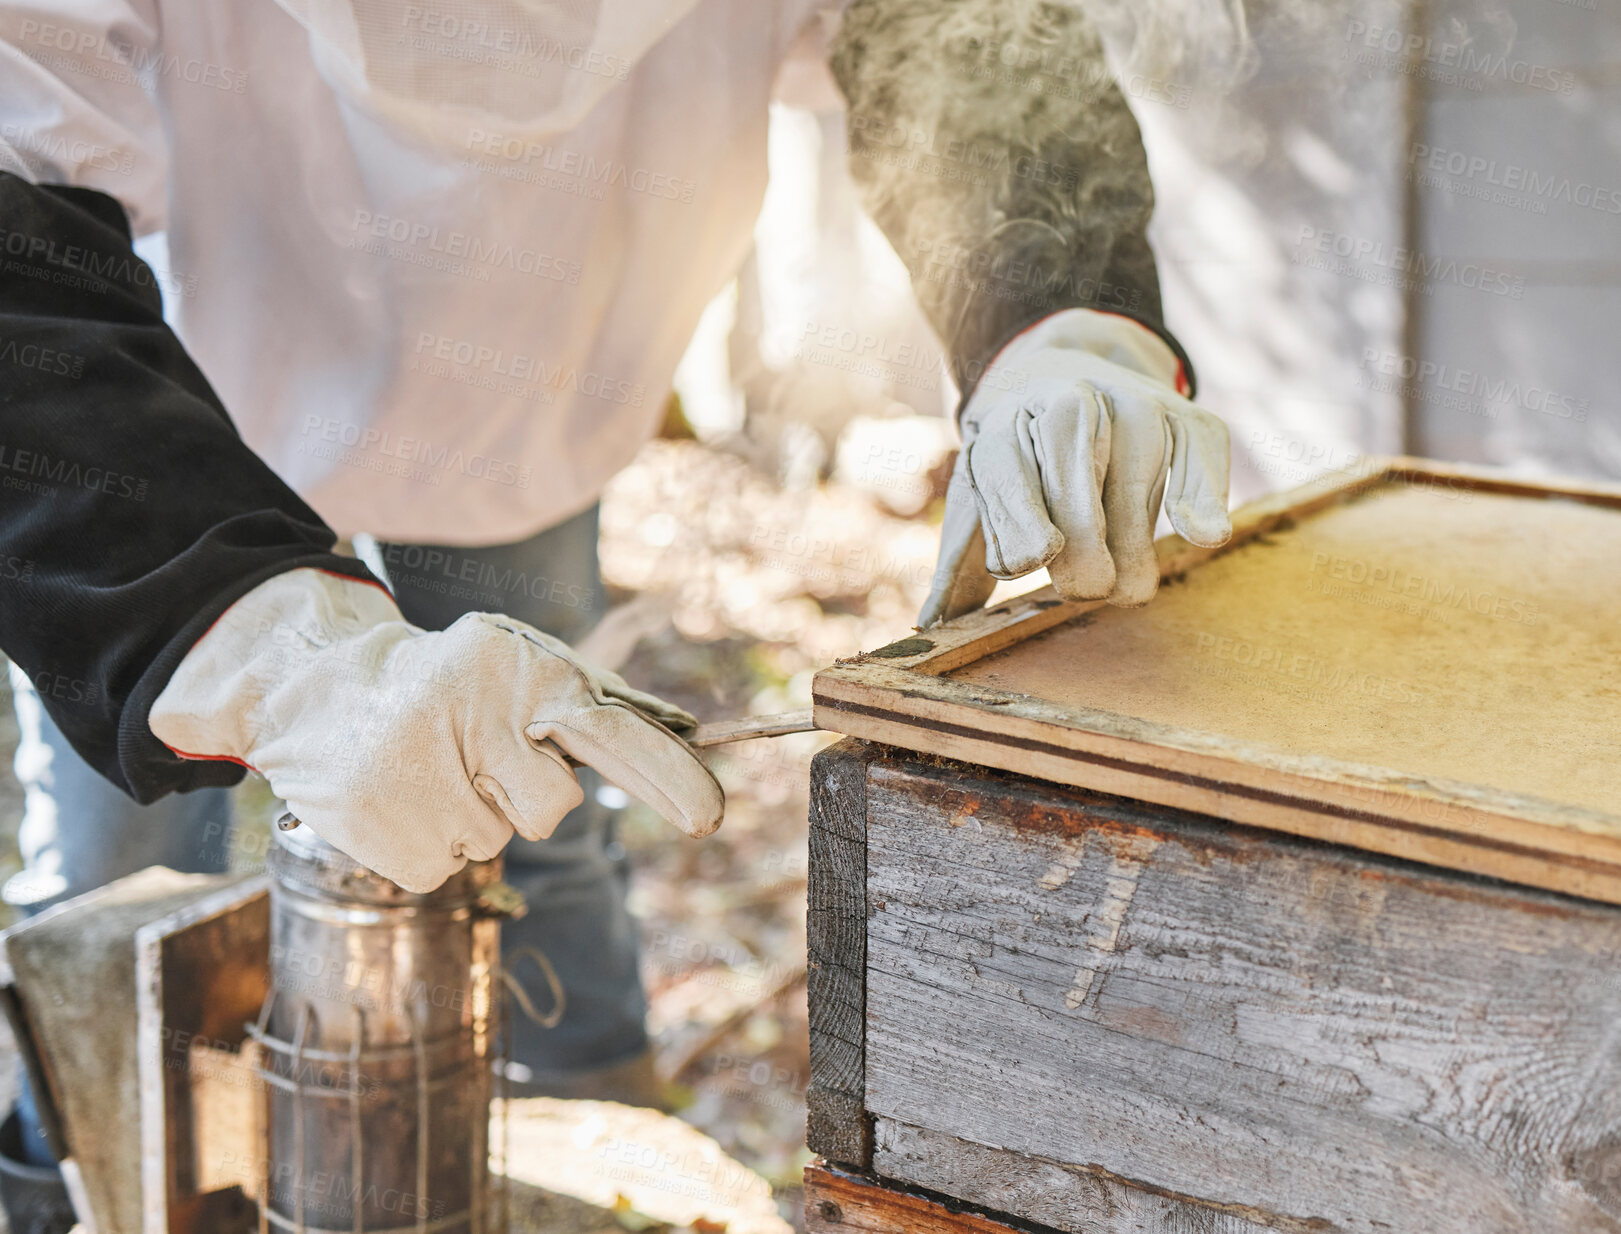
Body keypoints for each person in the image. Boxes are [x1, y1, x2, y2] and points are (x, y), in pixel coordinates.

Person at [0, 0, 1232, 1215]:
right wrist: (232, 629)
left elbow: (962, 35)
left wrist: (1056, 323)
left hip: (521, 403)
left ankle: (604, 1124)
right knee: (117, 865)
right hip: (178, 416)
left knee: (544, 796)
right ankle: (69, 1169)